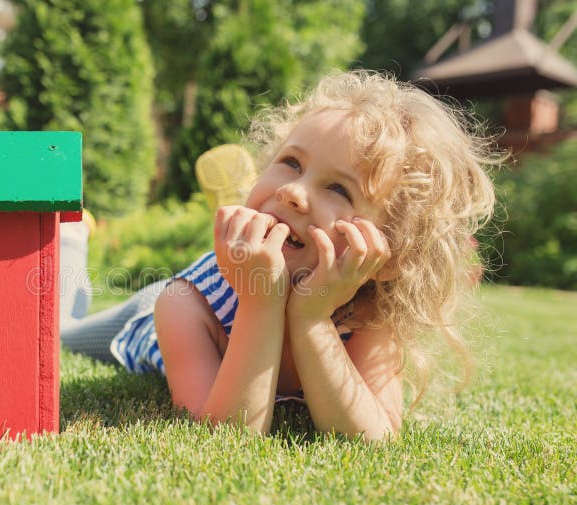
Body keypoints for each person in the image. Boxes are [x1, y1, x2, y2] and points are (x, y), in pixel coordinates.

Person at [58, 70, 501, 441]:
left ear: (386, 257)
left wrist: (310, 318)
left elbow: (373, 439)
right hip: (155, 313)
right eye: (291, 162)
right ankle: (70, 241)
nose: (292, 192)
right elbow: (226, 435)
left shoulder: (369, 318)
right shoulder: (184, 304)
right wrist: (261, 301)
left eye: (337, 188)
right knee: (60, 331)